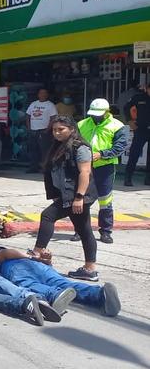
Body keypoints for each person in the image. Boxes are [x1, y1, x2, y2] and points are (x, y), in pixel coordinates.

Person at [33, 116, 100, 281]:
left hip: (76, 195)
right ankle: (90, 269)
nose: (57, 133)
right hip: (68, 194)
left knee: (48, 216)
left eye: (61, 129)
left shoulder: (80, 147)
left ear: (71, 129)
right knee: (84, 230)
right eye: (54, 129)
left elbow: (85, 173)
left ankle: (37, 253)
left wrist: (79, 197)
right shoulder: (59, 146)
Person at [0, 246, 121, 317]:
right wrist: (43, 260)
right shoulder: (12, 259)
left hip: (19, 269)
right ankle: (98, 294)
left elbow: (5, 253)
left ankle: (55, 295)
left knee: (32, 286)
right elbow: (47, 264)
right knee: (64, 283)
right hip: (42, 268)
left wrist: (33, 258)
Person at [78, 98, 127, 244]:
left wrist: (102, 154)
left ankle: (105, 231)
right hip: (84, 166)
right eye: (93, 114)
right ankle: (79, 230)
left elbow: (120, 147)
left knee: (105, 200)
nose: (95, 117)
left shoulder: (117, 126)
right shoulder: (82, 124)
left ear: (107, 112)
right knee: (81, 198)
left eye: (99, 114)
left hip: (104, 167)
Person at [124, 83, 150, 186]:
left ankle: (148, 179)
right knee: (134, 153)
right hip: (140, 130)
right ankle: (128, 178)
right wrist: (130, 121)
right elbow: (126, 108)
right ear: (147, 89)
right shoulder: (138, 97)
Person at [26, 88, 57, 173]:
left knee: (45, 151)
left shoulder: (50, 105)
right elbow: (28, 116)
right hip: (33, 131)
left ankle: (45, 168)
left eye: (44, 93)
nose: (42, 95)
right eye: (41, 93)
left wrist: (47, 130)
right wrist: (29, 128)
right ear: (38, 94)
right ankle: (33, 167)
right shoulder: (33, 104)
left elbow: (53, 118)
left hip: (44, 131)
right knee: (33, 150)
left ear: (47, 95)